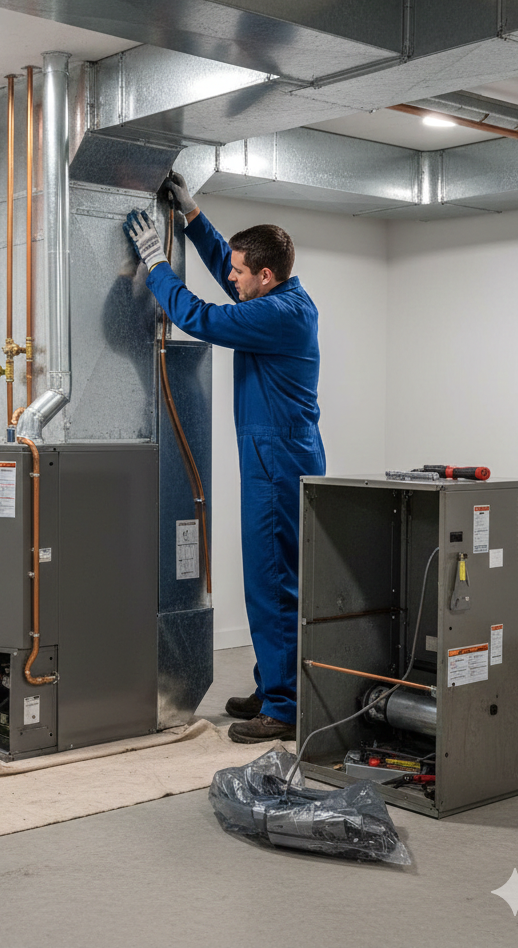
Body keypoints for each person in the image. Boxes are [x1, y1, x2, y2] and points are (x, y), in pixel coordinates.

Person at [123, 175, 325, 744]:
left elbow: (203, 318)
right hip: (274, 454)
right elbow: (226, 270)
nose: (230, 277)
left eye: (240, 272)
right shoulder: (275, 294)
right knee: (271, 579)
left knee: (272, 581)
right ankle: (274, 684)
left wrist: (157, 265)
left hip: (278, 462)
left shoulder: (282, 315)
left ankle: (284, 709)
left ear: (266, 275)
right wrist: (191, 218)